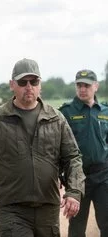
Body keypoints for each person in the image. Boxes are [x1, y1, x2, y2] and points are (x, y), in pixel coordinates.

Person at [0, 58, 86, 237]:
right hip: (13, 209)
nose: (29, 86)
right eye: (23, 82)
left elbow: (72, 158)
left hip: (48, 208)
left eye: (34, 81)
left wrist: (74, 192)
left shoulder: (56, 119)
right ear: (12, 84)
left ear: (40, 85)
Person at [59, 69, 108, 237]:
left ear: (96, 86)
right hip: (78, 179)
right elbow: (58, 147)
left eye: (86, 85)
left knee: (107, 223)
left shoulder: (105, 111)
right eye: (79, 85)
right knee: (77, 227)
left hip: (104, 177)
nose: (82, 89)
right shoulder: (65, 112)